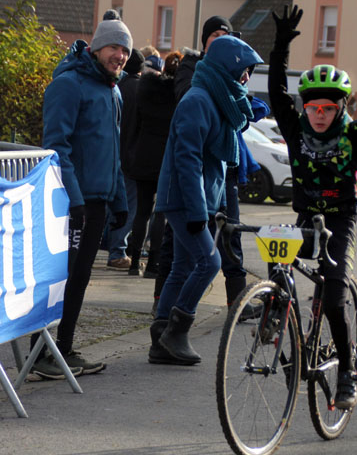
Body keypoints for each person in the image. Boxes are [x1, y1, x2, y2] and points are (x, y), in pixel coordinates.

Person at [269, 5, 357, 408]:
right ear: (304, 108)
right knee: (278, 267)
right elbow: (276, 92)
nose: (320, 114)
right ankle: (277, 318)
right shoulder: (294, 129)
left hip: (341, 219)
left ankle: (348, 370)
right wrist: (280, 48)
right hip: (306, 216)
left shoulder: (356, 135)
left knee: (332, 295)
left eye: (328, 108)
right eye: (313, 107)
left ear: (341, 108)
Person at [149, 35, 263, 365]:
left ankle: (160, 341)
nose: (245, 78)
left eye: (249, 73)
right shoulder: (198, 100)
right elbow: (188, 160)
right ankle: (176, 331)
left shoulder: (218, 98)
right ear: (227, 67)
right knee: (209, 263)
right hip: (184, 199)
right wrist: (200, 211)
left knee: (183, 265)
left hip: (197, 199)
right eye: (243, 71)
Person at [34, 19, 133, 379]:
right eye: (114, 48)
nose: (120, 56)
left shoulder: (113, 91)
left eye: (125, 50)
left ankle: (63, 350)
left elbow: (113, 153)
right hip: (70, 202)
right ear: (97, 48)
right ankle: (39, 354)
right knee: (61, 277)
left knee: (80, 278)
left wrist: (119, 200)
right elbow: (56, 146)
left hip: (98, 202)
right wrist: (72, 200)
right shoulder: (68, 84)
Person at [125, 51, 183, 280]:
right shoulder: (178, 97)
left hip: (144, 156)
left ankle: (134, 260)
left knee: (142, 211)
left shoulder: (146, 91)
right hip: (167, 159)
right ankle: (153, 264)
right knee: (161, 214)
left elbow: (135, 126)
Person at [104, 48, 144, 270]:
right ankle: (117, 251)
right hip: (131, 158)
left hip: (112, 154)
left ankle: (110, 245)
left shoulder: (115, 87)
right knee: (128, 206)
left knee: (112, 205)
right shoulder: (139, 90)